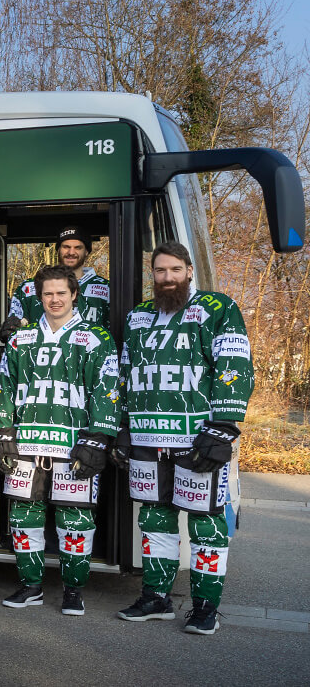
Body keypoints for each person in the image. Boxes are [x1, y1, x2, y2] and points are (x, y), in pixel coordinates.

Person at [114, 242, 253, 636]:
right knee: (155, 519)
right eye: (160, 271)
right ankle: (156, 599)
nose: (168, 277)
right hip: (145, 437)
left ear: (189, 271)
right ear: (152, 274)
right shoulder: (139, 315)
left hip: (197, 439)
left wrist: (224, 425)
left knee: (206, 523)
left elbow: (235, 365)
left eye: (175, 269)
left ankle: (205, 608)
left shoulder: (216, 308)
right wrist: (121, 425)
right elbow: (124, 374)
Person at [0, 266, 120, 616]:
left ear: (74, 294)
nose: (55, 299)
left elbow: (106, 391)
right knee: (23, 518)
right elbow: (3, 386)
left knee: (75, 521)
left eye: (62, 292)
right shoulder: (21, 338)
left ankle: (73, 590)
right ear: (39, 297)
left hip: (73, 447)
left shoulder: (95, 337)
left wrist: (99, 437)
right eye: (48, 293)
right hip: (27, 445)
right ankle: (30, 586)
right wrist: (1, 433)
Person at [9, 227, 111, 330]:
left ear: (86, 252)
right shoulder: (28, 288)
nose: (71, 252)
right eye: (66, 247)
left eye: (78, 247)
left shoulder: (106, 288)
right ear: (58, 249)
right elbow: (14, 329)